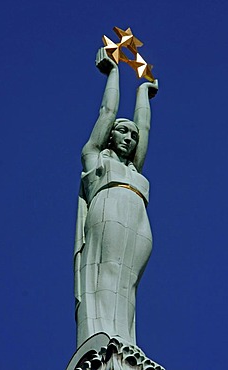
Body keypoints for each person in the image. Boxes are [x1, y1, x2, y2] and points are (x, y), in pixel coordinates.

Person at [74, 48, 158, 349]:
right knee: (107, 273)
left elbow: (145, 127)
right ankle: (106, 340)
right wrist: (113, 73)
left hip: (138, 219)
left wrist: (143, 93)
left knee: (128, 286)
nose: (130, 138)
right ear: (110, 136)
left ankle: (125, 342)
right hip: (109, 208)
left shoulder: (134, 169)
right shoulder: (95, 160)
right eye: (123, 132)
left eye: (132, 136)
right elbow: (106, 113)